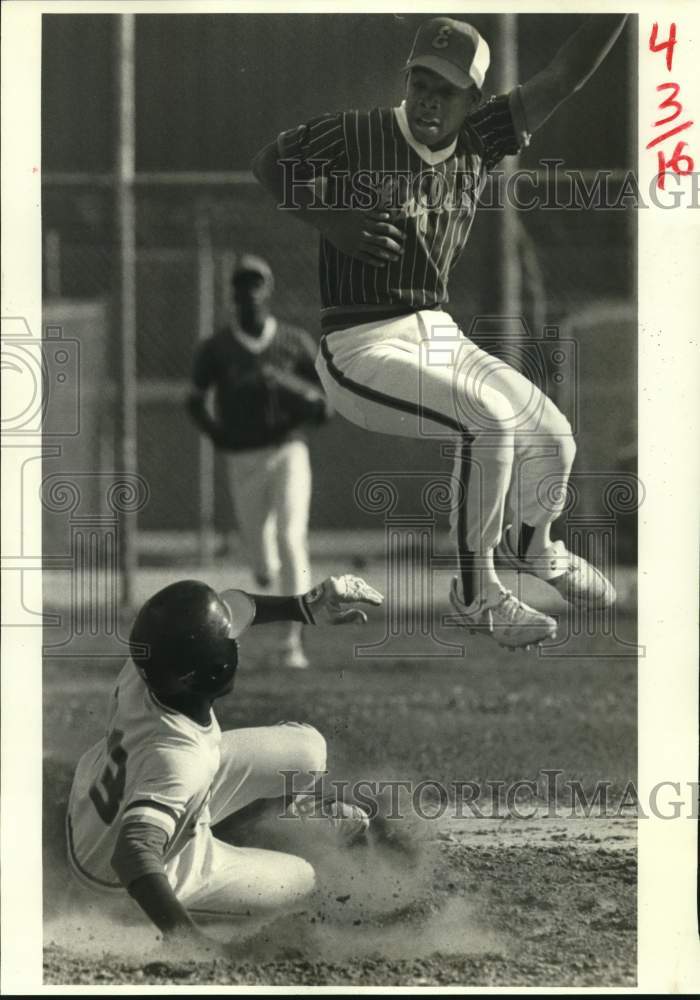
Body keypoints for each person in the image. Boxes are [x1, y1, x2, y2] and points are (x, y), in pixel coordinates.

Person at [251, 15, 627, 651]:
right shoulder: (359, 131)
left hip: (435, 329)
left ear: (473, 100)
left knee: (554, 435)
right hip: (358, 344)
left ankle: (535, 547)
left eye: (447, 89)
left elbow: (563, 75)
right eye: (420, 81)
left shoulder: (481, 139)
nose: (429, 98)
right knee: (486, 418)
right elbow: (269, 163)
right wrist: (328, 219)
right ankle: (475, 595)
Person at [66, 573, 384, 951]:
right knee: (306, 878)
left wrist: (303, 607)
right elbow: (133, 853)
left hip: (117, 799)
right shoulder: (179, 757)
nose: (234, 641)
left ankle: (245, 823)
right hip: (123, 879)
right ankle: (242, 837)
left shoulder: (150, 663)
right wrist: (191, 943)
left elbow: (231, 608)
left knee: (307, 750)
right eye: (227, 642)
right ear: (211, 669)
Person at [187, 254, 330, 669]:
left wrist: (303, 398)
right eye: (242, 286)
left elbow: (327, 397)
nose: (249, 293)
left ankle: (292, 640)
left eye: (256, 284)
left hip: (288, 449)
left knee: (291, 539)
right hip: (243, 456)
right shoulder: (216, 348)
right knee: (262, 562)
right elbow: (194, 402)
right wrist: (221, 437)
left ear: (268, 290)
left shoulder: (291, 340)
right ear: (232, 294)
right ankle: (264, 572)